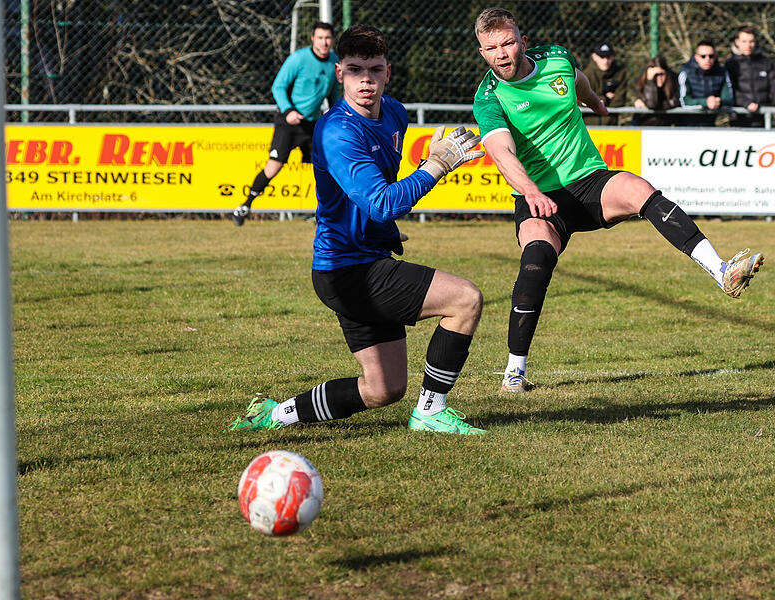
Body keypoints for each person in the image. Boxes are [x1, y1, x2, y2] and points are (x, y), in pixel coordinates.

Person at [472, 8, 764, 394]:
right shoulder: (489, 98)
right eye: (492, 48)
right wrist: (531, 192)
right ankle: (514, 371)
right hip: (539, 196)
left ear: (523, 42)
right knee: (537, 259)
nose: (502, 54)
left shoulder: (555, 58)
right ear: (482, 53)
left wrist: (595, 101)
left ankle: (722, 270)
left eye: (508, 43)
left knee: (641, 190)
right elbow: (503, 154)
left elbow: (577, 80)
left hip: (590, 182)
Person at [227, 25, 487, 435]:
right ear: (338, 74)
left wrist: (381, 231)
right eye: (354, 70)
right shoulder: (337, 131)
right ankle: (432, 411)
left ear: (388, 72)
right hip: (349, 272)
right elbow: (384, 201)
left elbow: (370, 198)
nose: (365, 80)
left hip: (360, 261)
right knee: (465, 300)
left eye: (374, 69)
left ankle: (273, 415)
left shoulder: (395, 114)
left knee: (383, 390)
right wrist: (437, 165)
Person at [231, 22, 339, 226]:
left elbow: (333, 94)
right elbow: (278, 87)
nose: (324, 42)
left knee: (327, 167)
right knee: (273, 167)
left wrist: (337, 118)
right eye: (320, 38)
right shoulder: (299, 59)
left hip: (312, 123)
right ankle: (245, 205)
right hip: (288, 122)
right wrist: (289, 111)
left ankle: (326, 214)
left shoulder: (334, 62)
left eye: (328, 38)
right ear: (312, 39)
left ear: (332, 40)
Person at [725, 25, 775, 128]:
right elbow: (730, 89)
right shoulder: (730, 64)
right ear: (737, 42)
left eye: (751, 41)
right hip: (739, 116)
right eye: (744, 41)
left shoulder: (766, 63)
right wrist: (746, 103)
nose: (748, 45)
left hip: (763, 115)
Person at [678, 40, 734, 126]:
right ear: (696, 57)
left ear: (715, 57)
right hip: (687, 124)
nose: (707, 59)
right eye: (703, 56)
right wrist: (706, 102)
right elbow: (684, 101)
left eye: (711, 56)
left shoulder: (722, 73)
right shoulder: (685, 72)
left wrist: (718, 102)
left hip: (711, 123)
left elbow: (728, 99)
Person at [581, 42, 628, 126]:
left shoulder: (620, 73)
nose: (605, 61)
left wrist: (594, 101)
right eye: (602, 57)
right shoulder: (586, 75)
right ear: (594, 57)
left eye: (608, 57)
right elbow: (581, 100)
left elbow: (619, 101)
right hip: (588, 126)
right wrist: (606, 98)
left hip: (611, 126)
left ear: (613, 57)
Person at [631, 55, 681, 126]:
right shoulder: (642, 83)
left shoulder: (673, 81)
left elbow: (674, 102)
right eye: (656, 75)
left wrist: (653, 106)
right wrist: (650, 81)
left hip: (664, 124)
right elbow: (652, 103)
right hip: (643, 122)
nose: (659, 78)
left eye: (661, 74)